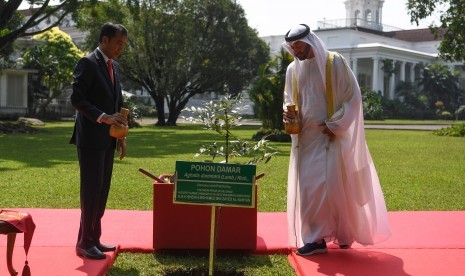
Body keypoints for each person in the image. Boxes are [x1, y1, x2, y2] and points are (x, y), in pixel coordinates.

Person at [282, 24, 391, 256]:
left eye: (298, 46)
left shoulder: (334, 63)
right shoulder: (292, 69)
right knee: (310, 190)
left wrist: (335, 125)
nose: (295, 51)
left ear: (310, 42)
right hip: (306, 140)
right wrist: (288, 115)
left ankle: (341, 234)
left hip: (331, 137)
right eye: (292, 47)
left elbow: (353, 97)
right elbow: (289, 99)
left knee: (334, 188)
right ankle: (316, 239)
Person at [70, 22, 128, 260]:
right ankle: (84, 243)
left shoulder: (114, 66)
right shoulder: (87, 63)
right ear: (105, 40)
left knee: (102, 191)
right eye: (118, 43)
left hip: (109, 140)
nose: (120, 48)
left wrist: (121, 137)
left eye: (123, 44)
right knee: (91, 191)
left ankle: (94, 238)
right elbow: (76, 99)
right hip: (90, 139)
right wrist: (103, 118)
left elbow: (117, 105)